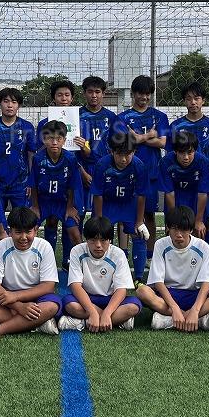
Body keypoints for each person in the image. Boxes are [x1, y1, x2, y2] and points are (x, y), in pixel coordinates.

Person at [0, 207, 61, 340]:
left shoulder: (44, 247)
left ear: (35, 230)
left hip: (35, 297)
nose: (23, 237)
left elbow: (48, 286)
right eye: (18, 232)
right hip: (6, 298)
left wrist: (16, 296)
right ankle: (39, 322)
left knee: (52, 305)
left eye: (28, 232)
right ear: (10, 231)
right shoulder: (1, 246)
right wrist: (19, 306)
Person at [135, 206, 209, 331]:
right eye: (174, 229)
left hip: (194, 294)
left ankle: (171, 319)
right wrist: (175, 308)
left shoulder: (202, 246)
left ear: (191, 229)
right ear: (168, 228)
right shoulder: (160, 244)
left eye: (184, 230)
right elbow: (158, 282)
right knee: (142, 291)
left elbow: (206, 283)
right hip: (169, 295)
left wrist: (195, 309)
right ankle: (194, 318)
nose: (179, 235)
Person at [112, 75, 168, 246]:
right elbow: (123, 143)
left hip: (151, 172)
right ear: (133, 94)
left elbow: (163, 142)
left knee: (149, 214)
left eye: (147, 94)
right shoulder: (122, 118)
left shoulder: (159, 116)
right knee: (125, 215)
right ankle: (123, 252)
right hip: (127, 172)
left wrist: (137, 138)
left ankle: (150, 254)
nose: (144, 97)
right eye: (140, 93)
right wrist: (149, 135)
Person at [60, 215, 142, 332]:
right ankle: (117, 321)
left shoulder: (118, 254)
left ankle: (83, 322)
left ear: (110, 240)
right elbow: (75, 285)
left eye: (103, 240)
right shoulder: (77, 251)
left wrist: (107, 313)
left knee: (134, 306)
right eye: (93, 240)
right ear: (86, 239)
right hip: (87, 299)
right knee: (69, 303)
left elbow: (121, 289)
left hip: (110, 299)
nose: (98, 245)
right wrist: (92, 312)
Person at [91, 132, 149, 278]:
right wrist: (99, 219)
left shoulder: (139, 166)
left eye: (128, 154)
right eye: (119, 154)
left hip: (129, 203)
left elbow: (141, 194)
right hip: (108, 203)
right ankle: (101, 275)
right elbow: (98, 194)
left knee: (139, 234)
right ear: (112, 151)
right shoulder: (102, 165)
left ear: (134, 151)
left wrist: (140, 221)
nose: (123, 159)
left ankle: (138, 278)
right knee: (100, 235)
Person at [29, 119, 83, 269]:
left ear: (64, 140)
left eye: (58, 139)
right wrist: (35, 206)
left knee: (74, 232)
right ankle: (45, 261)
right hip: (43, 201)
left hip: (63, 202)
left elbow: (72, 185)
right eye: (50, 138)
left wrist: (70, 207)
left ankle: (82, 265)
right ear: (44, 139)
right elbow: (33, 184)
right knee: (29, 230)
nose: (54, 142)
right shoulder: (38, 158)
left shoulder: (70, 158)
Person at [0, 87, 35, 210]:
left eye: (14, 102)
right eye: (6, 101)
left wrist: (31, 182)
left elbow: (31, 156)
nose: (10, 105)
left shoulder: (27, 127)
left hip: (21, 183)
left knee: (22, 218)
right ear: (0, 104)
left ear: (19, 105)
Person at [159, 129, 209, 243]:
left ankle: (204, 251)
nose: (186, 157)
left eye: (190, 153)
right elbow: (169, 193)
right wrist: (172, 220)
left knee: (200, 231)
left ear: (195, 150)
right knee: (175, 232)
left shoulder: (203, 162)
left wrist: (199, 220)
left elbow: (203, 193)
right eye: (182, 153)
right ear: (175, 151)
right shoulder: (166, 162)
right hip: (176, 198)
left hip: (196, 198)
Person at [76, 76, 117, 212]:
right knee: (79, 213)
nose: (94, 95)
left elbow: (116, 147)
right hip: (81, 168)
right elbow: (69, 150)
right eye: (90, 92)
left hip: (105, 168)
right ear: (84, 93)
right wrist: (82, 172)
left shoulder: (111, 117)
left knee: (103, 213)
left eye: (97, 92)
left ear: (103, 93)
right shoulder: (76, 116)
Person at [32, 79, 75, 151]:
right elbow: (40, 149)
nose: (64, 98)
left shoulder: (80, 122)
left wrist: (84, 146)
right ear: (54, 98)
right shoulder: (43, 124)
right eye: (59, 95)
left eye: (67, 95)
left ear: (72, 98)